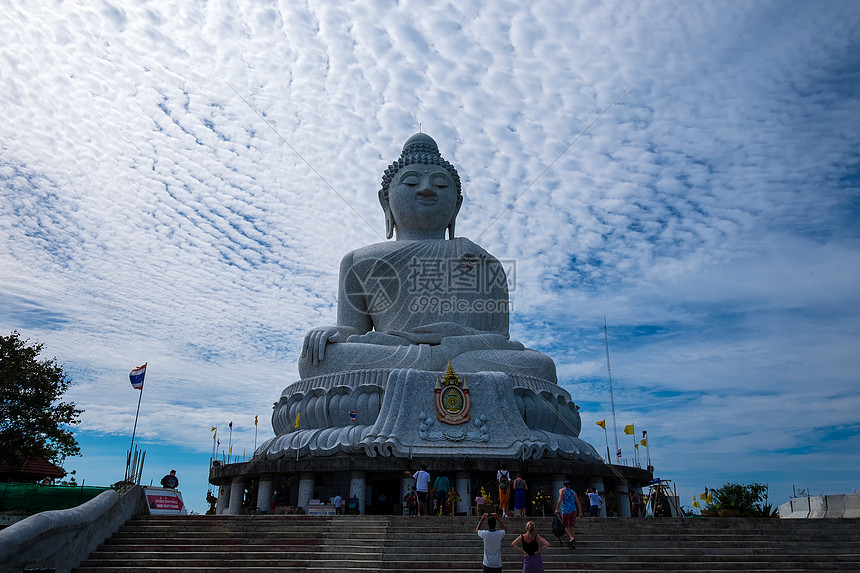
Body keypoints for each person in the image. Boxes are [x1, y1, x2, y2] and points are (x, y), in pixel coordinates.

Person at [299, 133, 557, 384]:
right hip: (400, 353)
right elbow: (352, 331)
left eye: (441, 185)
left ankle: (431, 371)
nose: (426, 190)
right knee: (316, 359)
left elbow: (498, 339)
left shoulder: (480, 259)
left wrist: (456, 339)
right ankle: (446, 372)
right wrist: (332, 334)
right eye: (411, 183)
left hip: (462, 355)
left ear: (457, 205)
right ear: (385, 200)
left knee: (541, 365)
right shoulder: (358, 261)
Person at [555, 479, 582, 550]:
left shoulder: (562, 490)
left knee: (564, 525)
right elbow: (578, 503)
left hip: (566, 510)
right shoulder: (573, 492)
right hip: (573, 510)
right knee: (572, 526)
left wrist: (557, 508)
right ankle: (572, 543)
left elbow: (560, 499)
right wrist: (580, 512)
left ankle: (571, 537)